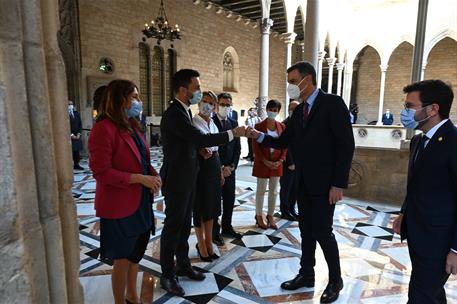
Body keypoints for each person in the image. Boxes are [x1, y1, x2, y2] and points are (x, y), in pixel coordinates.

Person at [246, 61, 355, 303]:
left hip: (326, 184)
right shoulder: (299, 111)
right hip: (303, 183)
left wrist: (338, 184)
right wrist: (260, 135)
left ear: (308, 79)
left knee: (323, 232)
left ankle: (336, 280)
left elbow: (346, 145)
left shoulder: (332, 104)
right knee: (306, 230)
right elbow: (283, 140)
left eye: (293, 82)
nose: (291, 87)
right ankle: (306, 273)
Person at [159, 69, 246, 297]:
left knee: (183, 225)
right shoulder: (174, 114)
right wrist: (232, 133)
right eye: (196, 87)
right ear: (182, 89)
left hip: (188, 178)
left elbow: (189, 143)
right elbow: (198, 138)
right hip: (177, 180)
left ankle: (183, 264)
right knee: (173, 227)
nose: (198, 91)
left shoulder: (183, 111)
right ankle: (167, 274)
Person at [88, 79, 161, 304]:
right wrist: (140, 178)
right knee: (121, 257)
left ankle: (133, 295)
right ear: (120, 99)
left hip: (140, 201)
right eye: (135, 97)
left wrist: (153, 173)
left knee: (136, 253)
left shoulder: (133, 126)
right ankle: (120, 300)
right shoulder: (103, 128)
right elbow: (101, 171)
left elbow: (141, 159)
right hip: (119, 204)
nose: (139, 102)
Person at [393, 79, 457, 303]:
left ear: (433, 109)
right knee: (432, 294)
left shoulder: (454, 141)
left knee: (420, 296)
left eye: (411, 106)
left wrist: (456, 250)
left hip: (440, 239)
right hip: (418, 232)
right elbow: (416, 184)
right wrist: (404, 213)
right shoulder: (418, 141)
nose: (405, 111)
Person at [192, 91, 223, 261]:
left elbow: (217, 147)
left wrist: (220, 171)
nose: (207, 105)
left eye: (210, 103)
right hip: (200, 168)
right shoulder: (194, 122)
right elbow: (193, 145)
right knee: (200, 208)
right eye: (204, 101)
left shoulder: (213, 124)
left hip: (214, 166)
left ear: (214, 106)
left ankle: (209, 242)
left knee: (212, 208)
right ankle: (201, 244)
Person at [212, 92, 242, 246]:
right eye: (223, 104)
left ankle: (227, 227)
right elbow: (210, 147)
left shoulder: (234, 122)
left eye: (228, 105)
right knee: (215, 202)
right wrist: (220, 168)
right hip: (215, 170)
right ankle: (214, 232)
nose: (225, 107)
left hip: (230, 170)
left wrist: (232, 166)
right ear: (217, 105)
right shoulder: (210, 122)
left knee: (230, 200)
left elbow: (237, 148)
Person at [252, 99, 287, 230]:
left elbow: (285, 146)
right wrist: (265, 161)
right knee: (261, 190)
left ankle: (270, 215)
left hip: (277, 164)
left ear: (278, 112)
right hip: (263, 163)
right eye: (270, 109)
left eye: (275, 110)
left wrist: (281, 160)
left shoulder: (282, 127)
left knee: (274, 191)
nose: (272, 112)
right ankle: (259, 215)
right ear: (267, 110)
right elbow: (255, 147)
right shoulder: (258, 126)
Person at [279, 100, 300, 221]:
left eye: (296, 109)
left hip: (299, 163)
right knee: (286, 188)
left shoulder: (300, 123)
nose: (294, 111)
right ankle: (284, 210)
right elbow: (285, 145)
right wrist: (291, 162)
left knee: (295, 188)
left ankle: (292, 209)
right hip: (288, 163)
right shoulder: (284, 124)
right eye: (292, 109)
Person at [69, 100, 83, 170]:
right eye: (69, 104)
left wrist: (78, 134)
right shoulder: (64, 115)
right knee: (70, 151)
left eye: (71, 104)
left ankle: (76, 164)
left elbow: (80, 124)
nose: (70, 105)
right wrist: (71, 135)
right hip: (69, 136)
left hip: (77, 135)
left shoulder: (76, 113)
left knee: (76, 151)